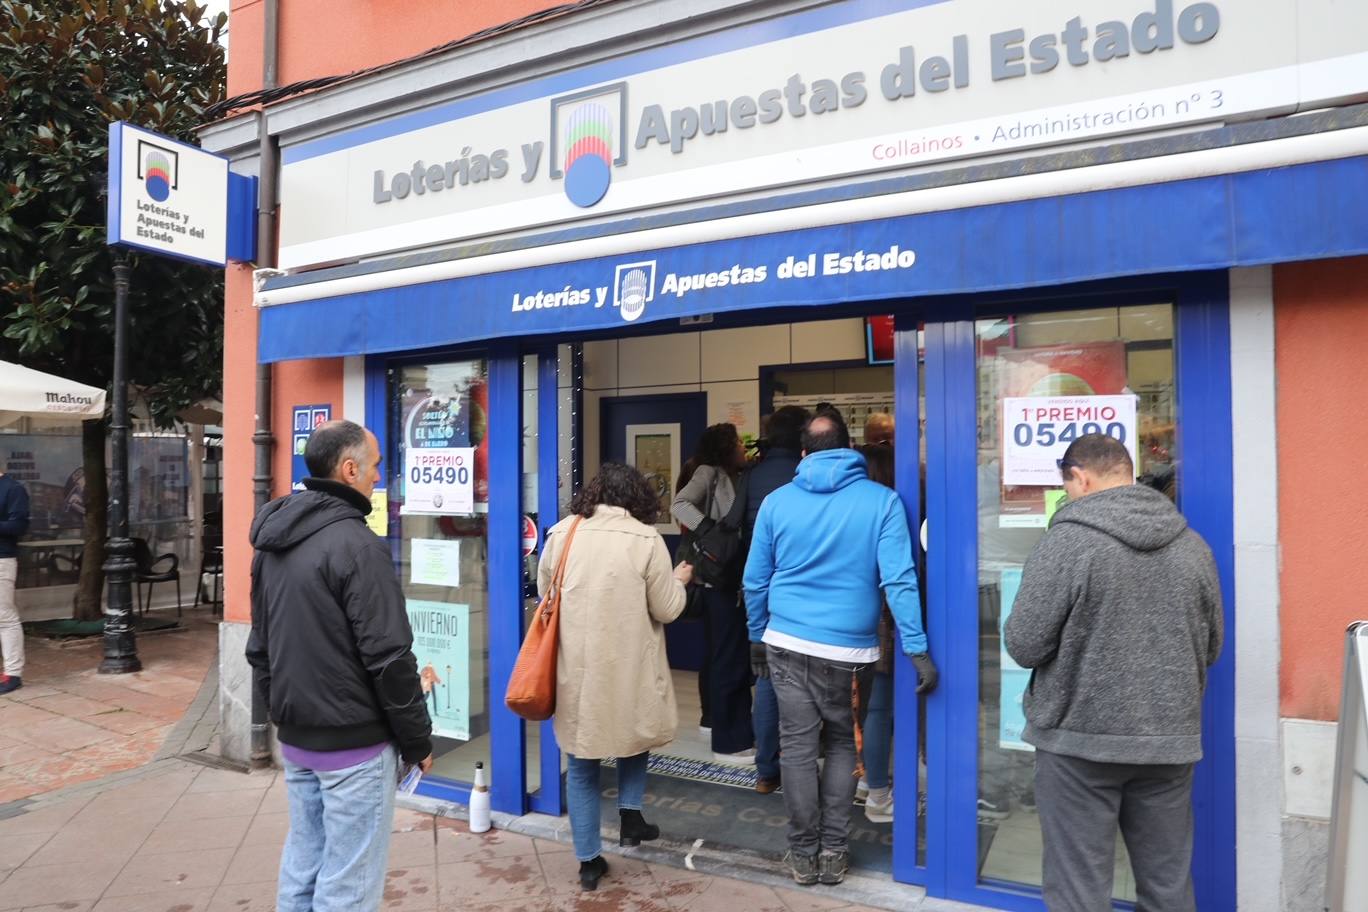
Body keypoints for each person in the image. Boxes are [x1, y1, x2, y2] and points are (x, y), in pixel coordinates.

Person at [1004, 433, 1223, 912]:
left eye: (1067, 486)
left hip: (1078, 743)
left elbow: (1024, 644)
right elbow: (1210, 647)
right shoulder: (1193, 546)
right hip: (1168, 741)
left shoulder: (1066, 543)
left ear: (1080, 478)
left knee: (1078, 890)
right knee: (1167, 887)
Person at [744, 412, 938, 886]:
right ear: (849, 449)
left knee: (796, 747)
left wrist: (756, 635)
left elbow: (755, 580)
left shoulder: (776, 502)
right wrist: (917, 649)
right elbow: (899, 579)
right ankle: (833, 852)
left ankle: (802, 855)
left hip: (785, 643)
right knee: (839, 746)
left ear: (804, 454)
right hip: (850, 654)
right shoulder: (883, 502)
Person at [246, 420, 433, 912]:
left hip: (299, 740)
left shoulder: (272, 542)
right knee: (348, 884)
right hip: (355, 746)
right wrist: (417, 741)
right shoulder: (358, 545)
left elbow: (258, 647)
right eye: (374, 466)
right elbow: (390, 657)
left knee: (304, 863)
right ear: (349, 470)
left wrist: (285, 716)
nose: (378, 476)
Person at [543, 462, 693, 891]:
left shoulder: (562, 534)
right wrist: (680, 580)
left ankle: (589, 861)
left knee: (582, 760)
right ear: (636, 498)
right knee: (635, 732)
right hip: (630, 665)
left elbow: (545, 592)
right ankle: (630, 813)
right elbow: (667, 609)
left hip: (577, 667)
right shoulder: (645, 538)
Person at [672, 423, 754, 764]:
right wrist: (710, 531)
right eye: (737, 442)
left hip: (729, 576)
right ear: (725, 447)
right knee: (724, 656)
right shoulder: (709, 472)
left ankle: (717, 722)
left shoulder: (738, 474)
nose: (741, 447)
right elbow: (679, 504)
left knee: (723, 654)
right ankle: (725, 737)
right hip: (713, 577)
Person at [742, 405, 810, 794]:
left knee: (767, 680)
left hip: (760, 589)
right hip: (800, 592)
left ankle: (766, 770)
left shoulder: (752, 474)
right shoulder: (802, 480)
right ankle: (804, 763)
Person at [855, 443, 897, 823]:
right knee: (880, 709)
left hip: (856, 622)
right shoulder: (891, 507)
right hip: (885, 621)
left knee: (870, 708)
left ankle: (870, 780)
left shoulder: (852, 509)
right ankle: (879, 794)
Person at [0, 466, 31, 695]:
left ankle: (13, 673)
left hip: (2, 560)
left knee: (4, 616)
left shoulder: (13, 489)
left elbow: (19, 525)